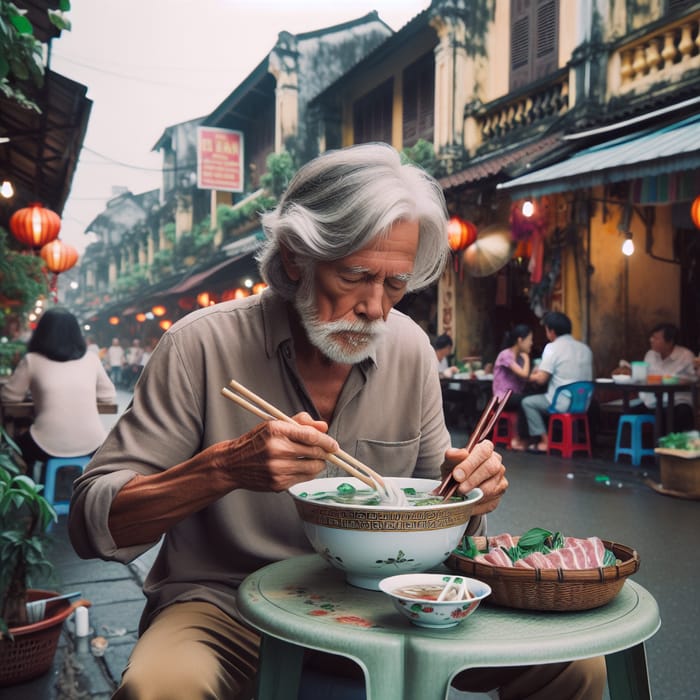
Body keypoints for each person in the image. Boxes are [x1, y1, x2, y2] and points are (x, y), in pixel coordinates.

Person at [68, 144, 605, 700]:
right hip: (226, 604)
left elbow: (437, 525)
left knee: (579, 665)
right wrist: (223, 469)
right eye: (355, 275)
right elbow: (92, 520)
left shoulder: (410, 349)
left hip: (386, 600)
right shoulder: (199, 345)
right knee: (160, 688)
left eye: (395, 284)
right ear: (298, 256)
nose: (376, 307)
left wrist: (467, 494)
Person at [0, 307, 116, 472]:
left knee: (13, 447)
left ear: (41, 333)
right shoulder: (91, 359)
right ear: (76, 334)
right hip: (93, 443)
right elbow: (108, 396)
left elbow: (9, 397)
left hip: (45, 444)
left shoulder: (32, 360)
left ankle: (34, 491)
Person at [520, 311, 593, 453]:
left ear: (551, 331)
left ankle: (544, 441)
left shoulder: (552, 348)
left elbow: (541, 379)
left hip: (561, 402)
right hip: (583, 403)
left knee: (527, 402)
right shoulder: (585, 348)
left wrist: (528, 377)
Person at [636, 323, 695, 432]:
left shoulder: (686, 356)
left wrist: (673, 380)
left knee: (681, 414)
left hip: (678, 402)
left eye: (656, 338)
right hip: (652, 402)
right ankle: (629, 448)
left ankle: (672, 447)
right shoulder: (650, 355)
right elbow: (643, 378)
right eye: (652, 337)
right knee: (630, 412)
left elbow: (694, 379)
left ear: (670, 341)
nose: (651, 340)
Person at [492, 324, 533, 450]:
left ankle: (525, 439)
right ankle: (517, 439)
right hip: (502, 398)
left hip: (514, 396)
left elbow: (527, 377)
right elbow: (524, 374)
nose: (531, 343)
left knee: (530, 399)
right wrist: (527, 359)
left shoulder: (519, 357)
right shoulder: (506, 355)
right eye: (529, 340)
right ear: (520, 340)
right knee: (526, 401)